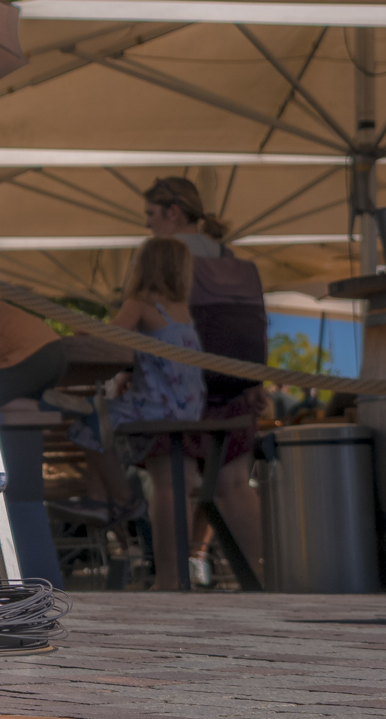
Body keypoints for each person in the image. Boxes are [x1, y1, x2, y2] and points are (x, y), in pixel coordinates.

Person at [142, 176, 266, 585]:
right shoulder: (228, 257)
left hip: (180, 384)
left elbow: (142, 322)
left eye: (151, 215)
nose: (148, 226)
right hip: (237, 383)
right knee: (233, 482)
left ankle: (171, 582)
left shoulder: (161, 257)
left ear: (173, 212)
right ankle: (256, 579)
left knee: (171, 481)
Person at [65, 236, 206, 590]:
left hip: (158, 403)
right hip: (187, 404)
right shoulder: (181, 309)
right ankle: (104, 501)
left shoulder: (142, 303)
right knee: (172, 487)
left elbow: (107, 338)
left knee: (88, 423)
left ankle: (122, 502)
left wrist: (81, 329)